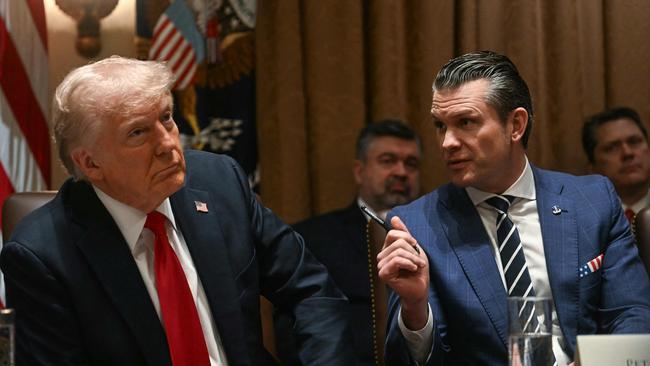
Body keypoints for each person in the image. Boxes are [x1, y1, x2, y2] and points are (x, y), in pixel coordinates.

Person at [0, 56, 355, 366]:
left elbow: (311, 289)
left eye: (166, 118)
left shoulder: (219, 183)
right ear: (90, 163)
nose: (169, 144)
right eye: (138, 133)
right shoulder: (41, 256)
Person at [377, 51, 650, 365]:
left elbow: (631, 313)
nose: (447, 142)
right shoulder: (417, 225)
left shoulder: (592, 200)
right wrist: (415, 307)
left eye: (465, 122)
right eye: (440, 126)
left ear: (516, 125)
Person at [274, 120, 422, 365]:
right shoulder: (312, 238)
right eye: (387, 161)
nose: (401, 172)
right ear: (359, 171)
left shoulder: (438, 236)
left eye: (411, 164)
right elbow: (291, 330)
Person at [582, 107, 650, 221]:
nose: (627, 153)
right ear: (592, 168)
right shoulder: (580, 222)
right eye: (611, 148)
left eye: (634, 142)